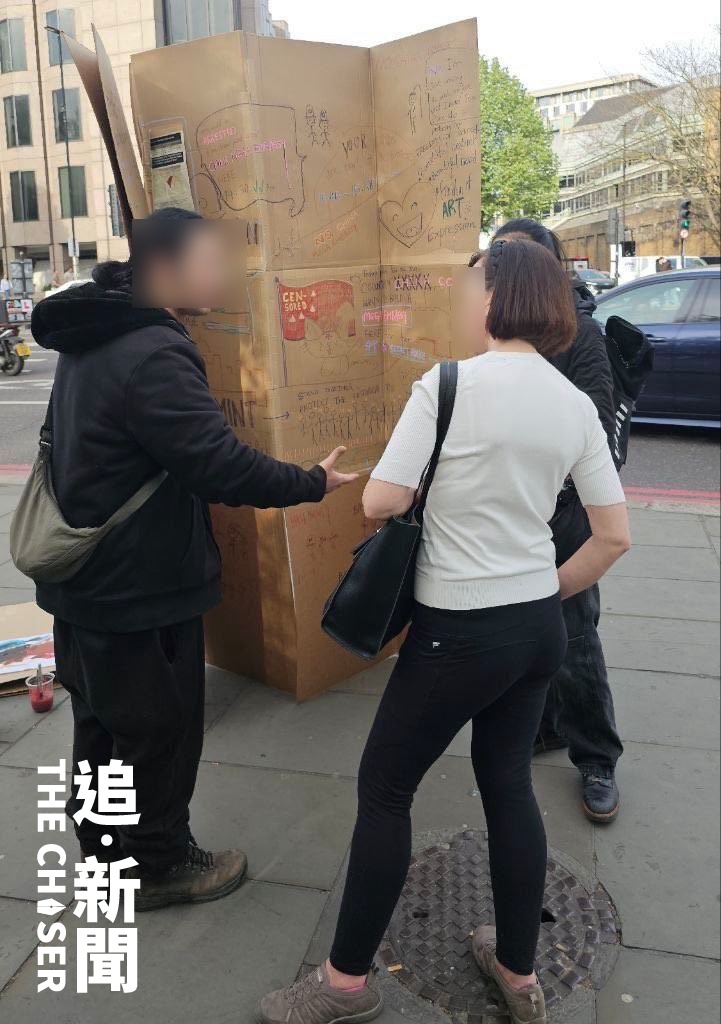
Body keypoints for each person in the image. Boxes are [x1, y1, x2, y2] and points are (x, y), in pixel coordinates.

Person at [258, 238, 630, 1024]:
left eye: (467, 290)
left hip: (456, 630)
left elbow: (380, 502)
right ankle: (519, 973)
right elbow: (612, 536)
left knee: (384, 790)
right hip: (537, 630)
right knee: (507, 784)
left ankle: (343, 985)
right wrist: (544, 591)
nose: (458, 303)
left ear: (495, 299)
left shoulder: (447, 386)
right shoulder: (571, 402)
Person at [29, 207, 357, 911]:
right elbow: (218, 465)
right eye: (211, 261)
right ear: (163, 268)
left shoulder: (96, 330)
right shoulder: (152, 350)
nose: (226, 274)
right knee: (159, 733)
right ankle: (159, 865)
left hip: (87, 579)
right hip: (139, 588)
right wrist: (311, 482)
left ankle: (106, 854)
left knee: (103, 727)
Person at [484, 218, 624, 823]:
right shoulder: (489, 332)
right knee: (524, 628)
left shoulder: (581, 336)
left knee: (574, 637)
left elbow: (594, 425)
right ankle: (545, 727)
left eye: (516, 260)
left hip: (565, 516)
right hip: (510, 511)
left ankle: (597, 758)